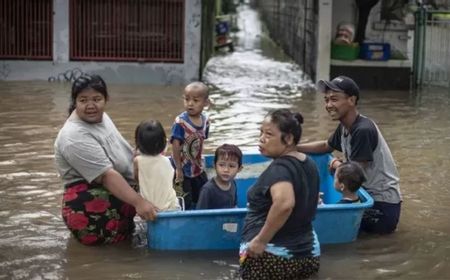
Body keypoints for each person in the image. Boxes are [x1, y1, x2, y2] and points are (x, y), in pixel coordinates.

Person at [54, 74, 157, 246]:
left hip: (118, 196)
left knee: (127, 245)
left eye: (97, 99)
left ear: (106, 99)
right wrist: (140, 202)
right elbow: (107, 176)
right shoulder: (73, 136)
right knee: (115, 255)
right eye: (83, 100)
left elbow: (121, 152)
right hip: (92, 210)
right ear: (75, 101)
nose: (91, 106)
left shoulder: (101, 117)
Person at [297, 75, 402, 234]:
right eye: (326, 100)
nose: (329, 105)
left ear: (351, 100)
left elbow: (354, 174)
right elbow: (326, 146)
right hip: (366, 197)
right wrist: (294, 148)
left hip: (381, 205)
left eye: (334, 99)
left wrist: (337, 165)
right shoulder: (346, 126)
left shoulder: (362, 130)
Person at [239, 109, 320, 280]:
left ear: (289, 139)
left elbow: (284, 204)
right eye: (260, 132)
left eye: (268, 134)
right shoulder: (308, 162)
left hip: (273, 256)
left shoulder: (279, 168)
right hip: (308, 253)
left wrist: (261, 240)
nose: (261, 139)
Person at [170, 82, 210, 209]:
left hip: (197, 167)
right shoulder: (180, 123)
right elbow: (175, 146)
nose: (190, 103)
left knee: (203, 195)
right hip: (182, 169)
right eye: (187, 99)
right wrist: (178, 169)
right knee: (184, 201)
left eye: (195, 100)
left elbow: (201, 142)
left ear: (206, 103)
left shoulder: (206, 121)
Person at [133, 120, 180, 211]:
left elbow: (136, 178)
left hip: (151, 210)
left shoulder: (138, 161)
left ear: (138, 144)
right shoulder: (167, 161)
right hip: (172, 207)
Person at [196, 144, 242, 210]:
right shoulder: (207, 190)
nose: (226, 170)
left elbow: (234, 206)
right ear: (214, 165)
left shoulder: (233, 183)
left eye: (231, 166)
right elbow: (199, 215)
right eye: (221, 165)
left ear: (239, 169)